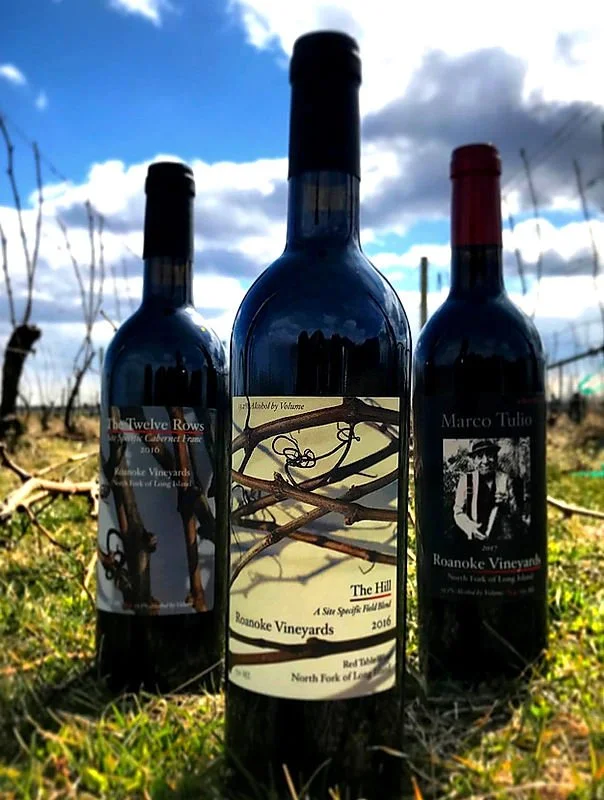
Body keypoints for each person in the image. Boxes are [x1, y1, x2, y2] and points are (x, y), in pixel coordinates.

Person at [453, 439, 517, 542]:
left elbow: (516, 513)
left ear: (496, 458)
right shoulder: (466, 480)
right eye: (479, 456)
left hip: (502, 539)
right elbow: (458, 511)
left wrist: (507, 504)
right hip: (473, 538)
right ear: (473, 460)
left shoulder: (505, 479)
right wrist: (471, 528)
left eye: (489, 455)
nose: (485, 461)